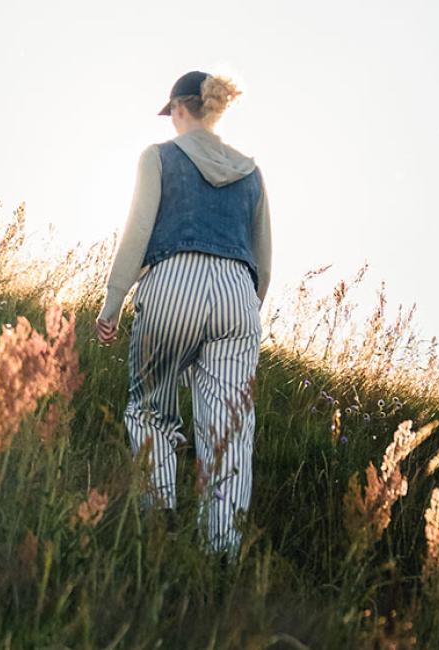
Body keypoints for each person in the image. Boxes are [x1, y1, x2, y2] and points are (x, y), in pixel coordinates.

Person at [95, 71, 272, 556]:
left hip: (174, 281)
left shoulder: (159, 156)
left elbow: (137, 232)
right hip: (239, 295)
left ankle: (158, 526)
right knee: (230, 433)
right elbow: (264, 260)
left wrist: (113, 303)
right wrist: (243, 310)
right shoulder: (250, 170)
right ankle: (221, 553)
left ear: (177, 109)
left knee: (151, 409)